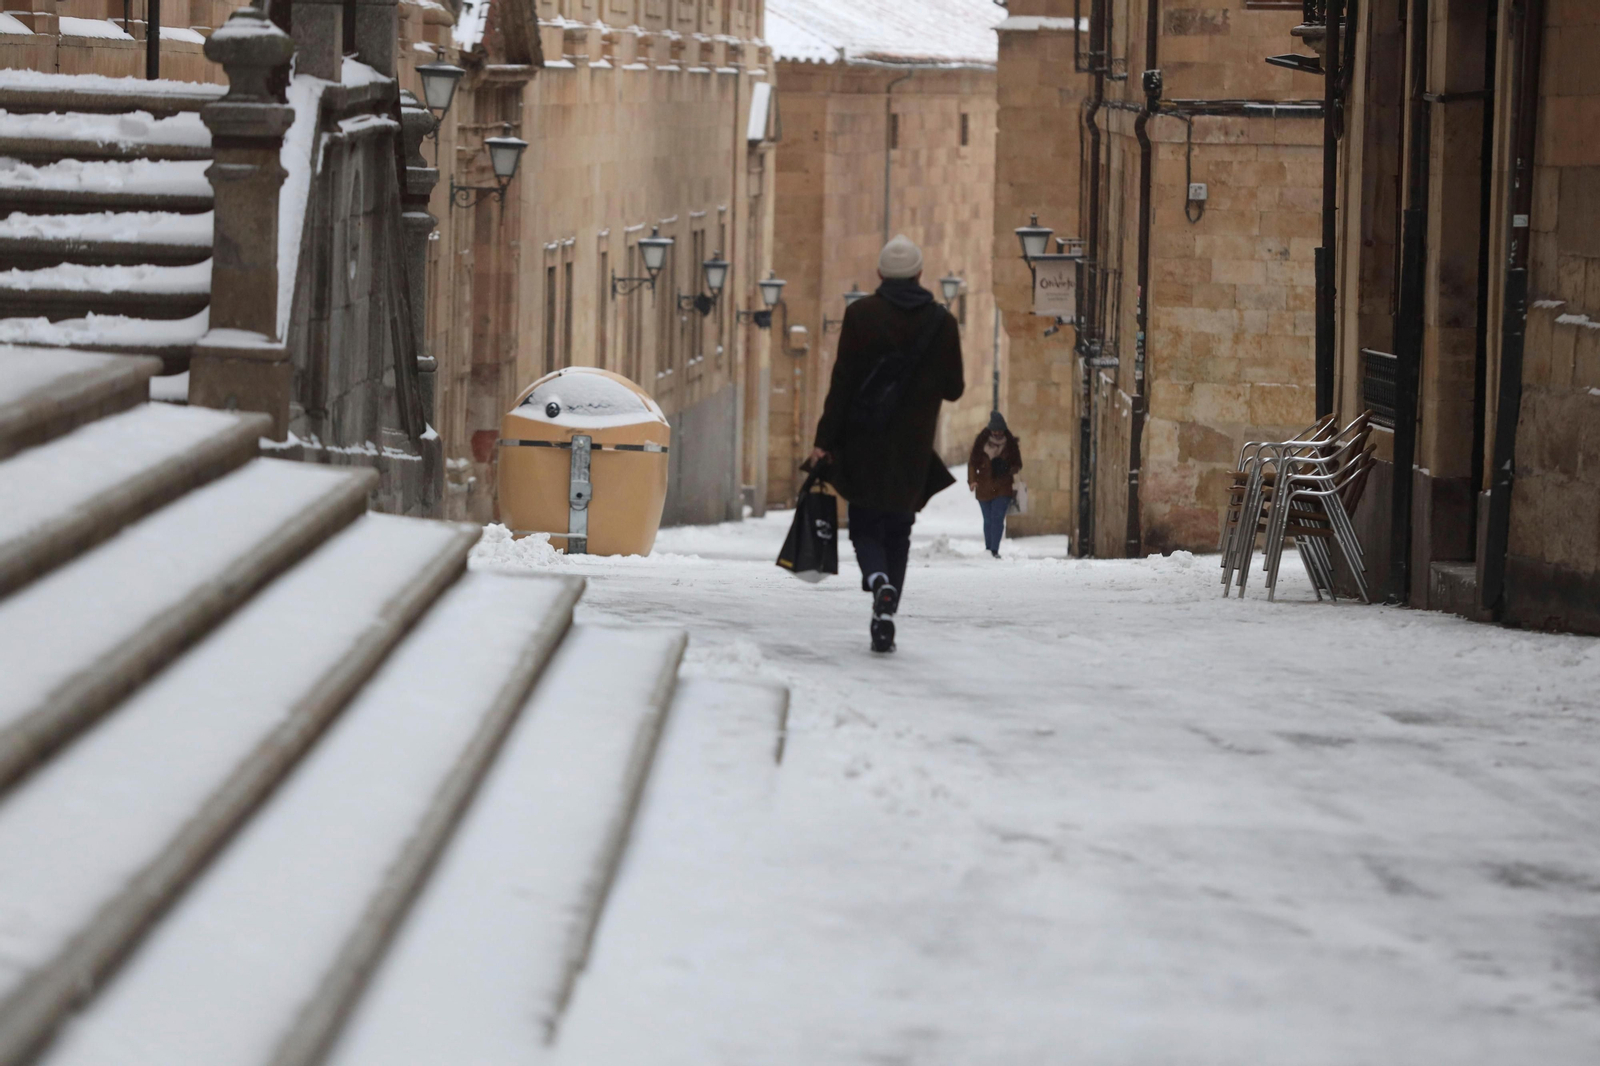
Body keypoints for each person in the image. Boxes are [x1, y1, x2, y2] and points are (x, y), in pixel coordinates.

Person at [808, 234, 965, 653]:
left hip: (863, 441)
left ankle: (877, 582)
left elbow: (841, 385)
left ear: (880, 274)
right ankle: (886, 609)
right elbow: (954, 389)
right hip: (913, 446)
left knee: (865, 525)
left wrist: (824, 442)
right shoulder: (942, 323)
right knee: (899, 528)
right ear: (919, 274)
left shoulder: (861, 315)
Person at [968, 411, 1023, 558]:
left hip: (1003, 486)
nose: (997, 433)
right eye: (995, 430)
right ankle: (988, 549)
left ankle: (994, 550)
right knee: (988, 519)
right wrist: (972, 480)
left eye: (1000, 430)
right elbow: (972, 463)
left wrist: (1006, 468)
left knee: (997, 518)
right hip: (984, 486)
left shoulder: (1010, 444)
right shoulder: (981, 443)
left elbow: (1017, 464)